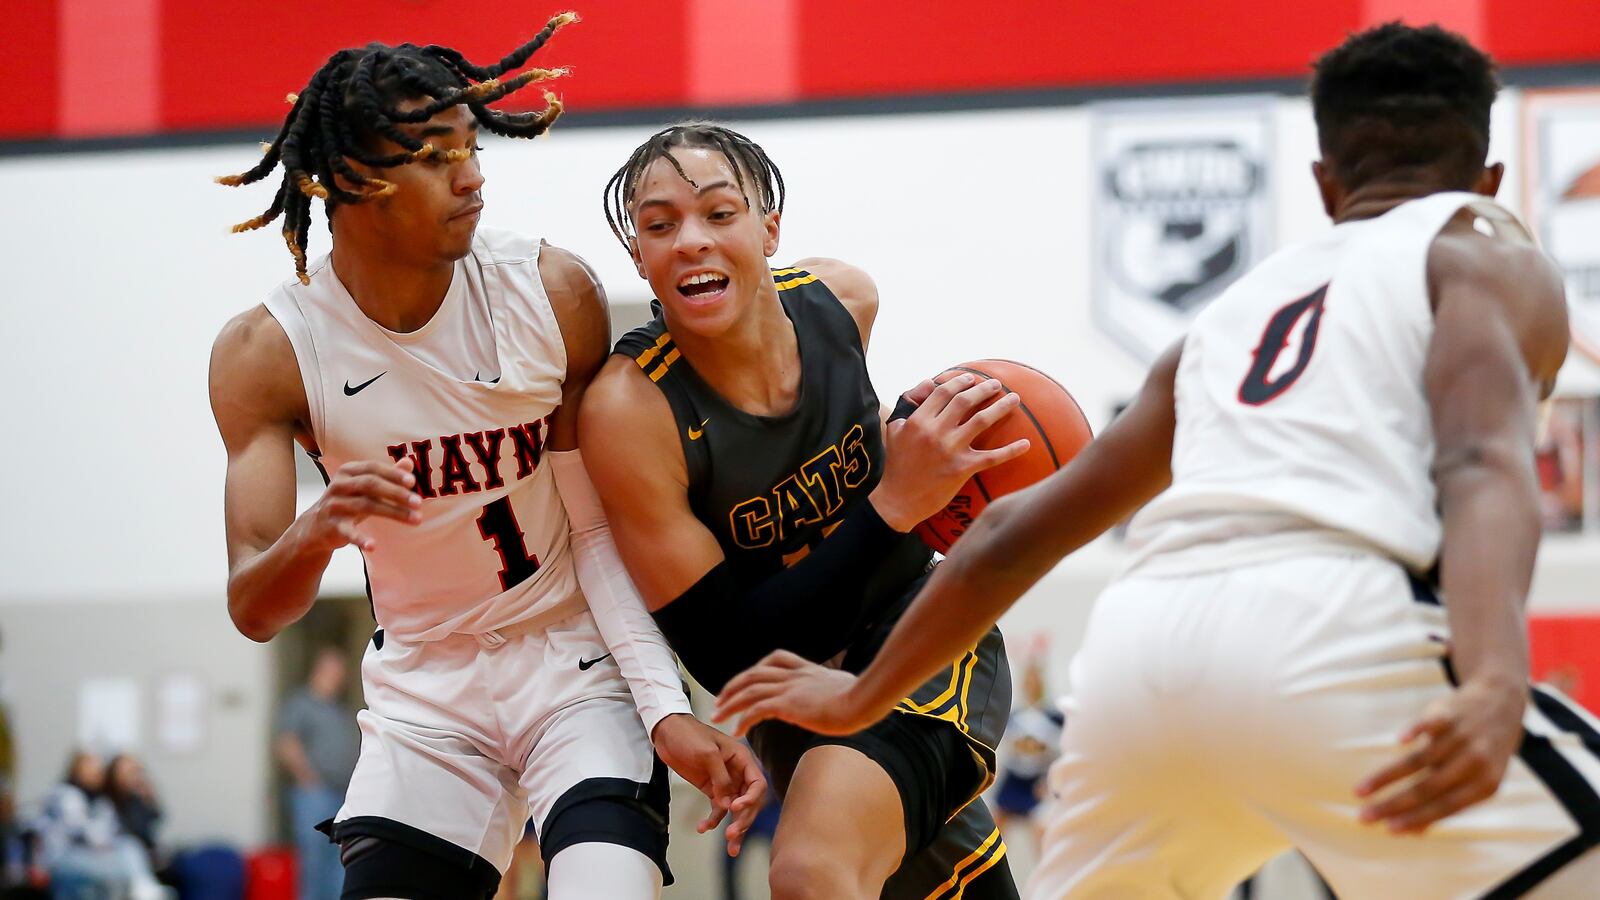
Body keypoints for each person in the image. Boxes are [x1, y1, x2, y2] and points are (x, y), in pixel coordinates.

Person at [715, 23, 1600, 899]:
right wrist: (1492, 677)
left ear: (1325, 184)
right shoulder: (1483, 249)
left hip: (1143, 665)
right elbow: (1484, 460)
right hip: (1338, 625)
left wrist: (861, 695)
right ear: (1487, 182)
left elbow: (1014, 530)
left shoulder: (1231, 315)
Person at [208, 17, 763, 900]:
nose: (469, 177)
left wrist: (664, 710)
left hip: (573, 666)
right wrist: (316, 534)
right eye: (432, 155)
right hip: (425, 695)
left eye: (471, 147)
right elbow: (255, 608)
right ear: (346, 182)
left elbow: (593, 529)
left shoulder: (550, 292)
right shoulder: (270, 355)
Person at [581, 123, 1024, 899]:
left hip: (917, 639)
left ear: (769, 228)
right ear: (638, 258)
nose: (691, 240)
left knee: (811, 872)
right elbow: (727, 659)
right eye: (660, 225)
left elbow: (905, 512)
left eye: (720, 213)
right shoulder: (631, 409)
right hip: (786, 696)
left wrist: (922, 487)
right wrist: (889, 506)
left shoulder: (843, 304)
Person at [273, 648, 358, 900]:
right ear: (320, 670)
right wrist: (308, 778)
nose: (339, 676)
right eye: (334, 670)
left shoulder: (339, 709)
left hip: (342, 796)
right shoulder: (302, 703)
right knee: (314, 863)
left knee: (339, 863)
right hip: (315, 794)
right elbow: (286, 744)